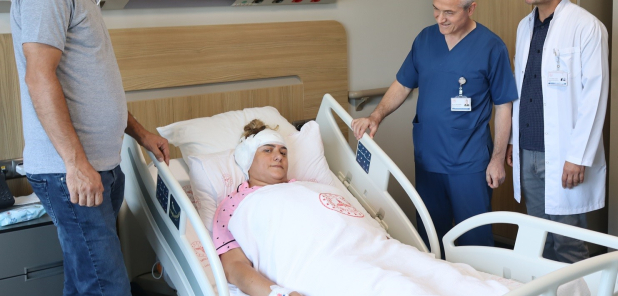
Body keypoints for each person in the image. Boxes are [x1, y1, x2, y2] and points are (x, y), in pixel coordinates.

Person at [10, 0, 170, 296]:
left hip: (97, 167)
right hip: (72, 171)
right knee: (106, 287)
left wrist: (141, 133)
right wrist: (76, 164)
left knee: (87, 283)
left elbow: (93, 87)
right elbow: (39, 78)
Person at [214, 120, 585, 296]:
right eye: (268, 150)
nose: (279, 156)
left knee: (449, 277)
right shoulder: (234, 206)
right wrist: (278, 294)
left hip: (377, 247)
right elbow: (234, 269)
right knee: (398, 289)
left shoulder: (311, 187)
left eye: (283, 150)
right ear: (247, 160)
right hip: (326, 263)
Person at [351, 0, 517, 252]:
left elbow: (504, 105)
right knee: (429, 239)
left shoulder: (491, 47)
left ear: (471, 9)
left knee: (474, 243)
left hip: (469, 162)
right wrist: (375, 115)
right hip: (428, 158)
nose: (440, 19)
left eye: (449, 12)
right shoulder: (425, 40)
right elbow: (403, 84)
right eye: (436, 9)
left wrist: (497, 159)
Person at [506, 0, 609, 264]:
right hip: (529, 151)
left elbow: (595, 96)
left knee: (568, 243)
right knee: (541, 242)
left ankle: (577, 287)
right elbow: (521, 89)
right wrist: (513, 141)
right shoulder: (524, 27)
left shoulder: (586, 27)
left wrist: (578, 156)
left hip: (565, 153)